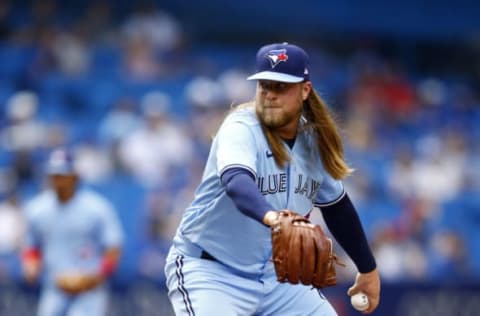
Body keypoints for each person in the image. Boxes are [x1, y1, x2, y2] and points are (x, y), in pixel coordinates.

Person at [164, 42, 381, 315]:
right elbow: (236, 182)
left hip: (276, 280)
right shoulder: (241, 126)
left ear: (305, 90)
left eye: (281, 86)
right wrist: (273, 218)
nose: (270, 94)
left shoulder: (314, 141)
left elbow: (337, 207)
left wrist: (368, 269)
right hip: (211, 272)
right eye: (264, 85)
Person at [21, 148, 124, 316]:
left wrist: (97, 277)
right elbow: (31, 246)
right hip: (54, 287)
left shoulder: (97, 208)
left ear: (74, 177)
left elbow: (113, 247)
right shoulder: (37, 209)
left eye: (62, 176)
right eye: (54, 176)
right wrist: (30, 266)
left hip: (89, 290)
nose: (58, 181)